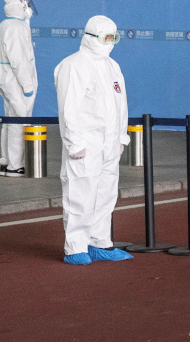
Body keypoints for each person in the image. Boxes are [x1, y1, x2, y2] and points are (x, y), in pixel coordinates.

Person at [55, 15, 134, 265]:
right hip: (86, 146)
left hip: (109, 145)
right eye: (105, 37)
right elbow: (69, 109)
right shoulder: (73, 65)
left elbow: (120, 105)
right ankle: (76, 247)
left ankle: (100, 242)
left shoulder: (113, 66)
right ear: (91, 37)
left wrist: (121, 137)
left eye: (113, 37)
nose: (109, 42)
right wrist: (74, 143)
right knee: (81, 194)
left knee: (105, 195)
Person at [0, 0, 38, 178]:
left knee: (10, 119)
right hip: (15, 78)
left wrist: (26, 21)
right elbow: (19, 60)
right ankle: (15, 166)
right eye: (25, 4)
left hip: (4, 76)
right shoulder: (16, 27)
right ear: (19, 6)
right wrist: (27, 86)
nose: (29, 7)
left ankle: (7, 161)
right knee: (20, 120)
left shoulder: (6, 24)